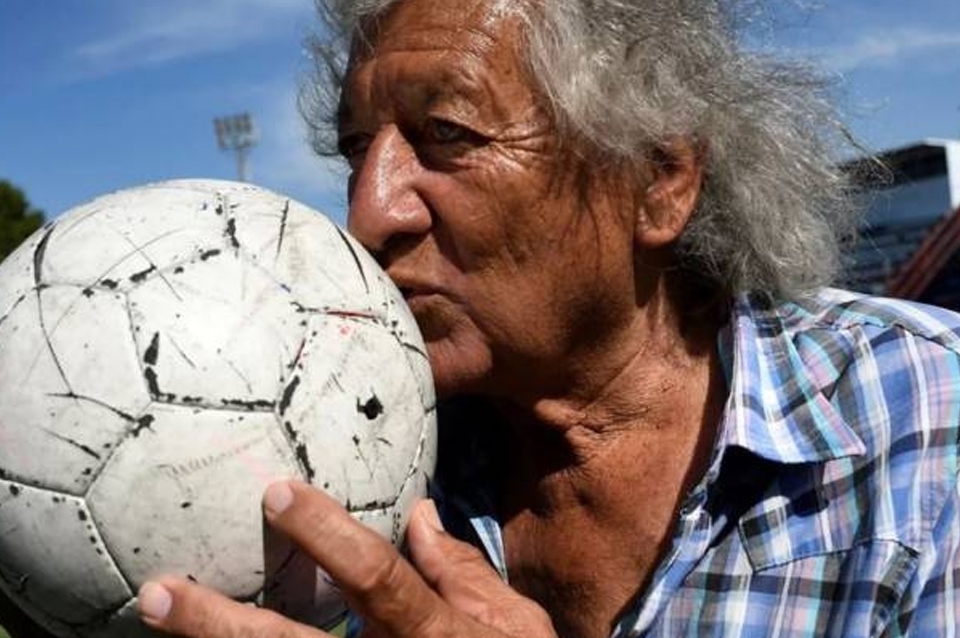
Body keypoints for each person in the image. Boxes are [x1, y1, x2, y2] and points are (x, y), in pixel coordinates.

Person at [6, 0, 960, 637]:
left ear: (659, 182)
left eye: (448, 136)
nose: (371, 211)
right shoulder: (339, 458)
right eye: (357, 150)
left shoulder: (924, 427)